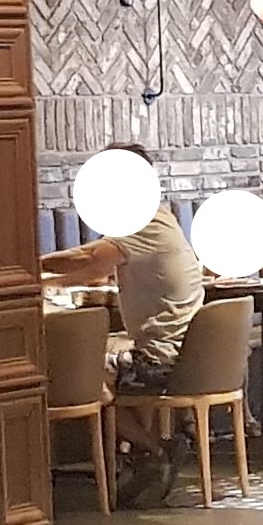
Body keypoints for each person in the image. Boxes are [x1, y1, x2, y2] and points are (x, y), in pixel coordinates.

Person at [109, 194, 206, 506]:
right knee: (109, 363)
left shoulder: (141, 223)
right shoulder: (165, 221)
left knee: (87, 380)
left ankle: (154, 450)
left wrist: (34, 268)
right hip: (189, 357)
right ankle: (146, 460)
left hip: (161, 362)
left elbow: (89, 259)